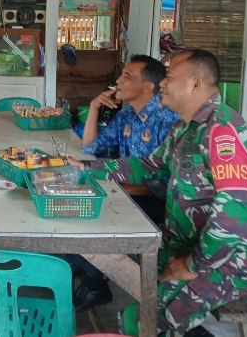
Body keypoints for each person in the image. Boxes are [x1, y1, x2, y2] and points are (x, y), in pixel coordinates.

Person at [71, 50, 247, 337]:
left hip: (225, 260)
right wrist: (86, 167)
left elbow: (235, 217)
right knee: (115, 262)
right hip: (183, 246)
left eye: (170, 76)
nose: (162, 83)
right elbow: (148, 166)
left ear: (195, 84)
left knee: (142, 320)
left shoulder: (223, 131)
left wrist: (192, 265)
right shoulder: (184, 127)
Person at [72, 54, 179, 311]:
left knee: (96, 210)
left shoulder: (167, 120)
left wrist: (122, 189)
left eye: (127, 76)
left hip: (159, 201)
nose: (118, 81)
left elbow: (167, 182)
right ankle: (86, 265)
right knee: (78, 202)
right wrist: (94, 106)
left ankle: (95, 283)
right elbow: (90, 147)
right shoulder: (128, 116)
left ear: (147, 87)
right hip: (128, 189)